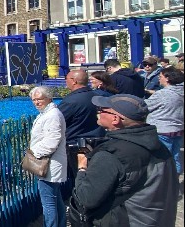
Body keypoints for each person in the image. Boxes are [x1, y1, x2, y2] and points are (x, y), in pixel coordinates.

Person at [72, 94, 178, 226]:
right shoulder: (159, 146)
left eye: (102, 110)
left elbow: (86, 198)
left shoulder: (111, 154)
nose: (98, 112)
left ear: (115, 119)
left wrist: (82, 167)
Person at [29, 86, 67, 227]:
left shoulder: (53, 115)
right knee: (56, 200)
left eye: (40, 99)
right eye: (34, 100)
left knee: (49, 204)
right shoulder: (46, 113)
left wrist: (33, 153)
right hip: (50, 163)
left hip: (48, 165)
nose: (36, 102)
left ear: (49, 98)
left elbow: (52, 141)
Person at [145, 66, 184, 176]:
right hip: (178, 129)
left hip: (162, 130)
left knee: (161, 161)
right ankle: (174, 184)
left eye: (160, 76)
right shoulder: (181, 91)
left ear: (167, 78)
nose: (159, 78)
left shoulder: (162, 94)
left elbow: (145, 107)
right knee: (175, 157)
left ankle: (164, 185)